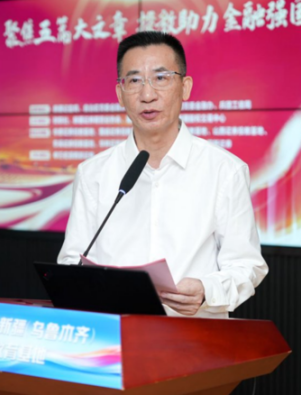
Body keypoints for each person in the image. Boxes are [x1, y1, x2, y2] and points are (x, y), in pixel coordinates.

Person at [57, 31, 267, 318]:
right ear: (120, 94)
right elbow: (72, 261)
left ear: (185, 87)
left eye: (161, 78)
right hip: (114, 333)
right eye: (134, 81)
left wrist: (207, 291)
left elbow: (247, 265)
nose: (147, 95)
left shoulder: (224, 170)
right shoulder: (93, 173)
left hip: (193, 334)